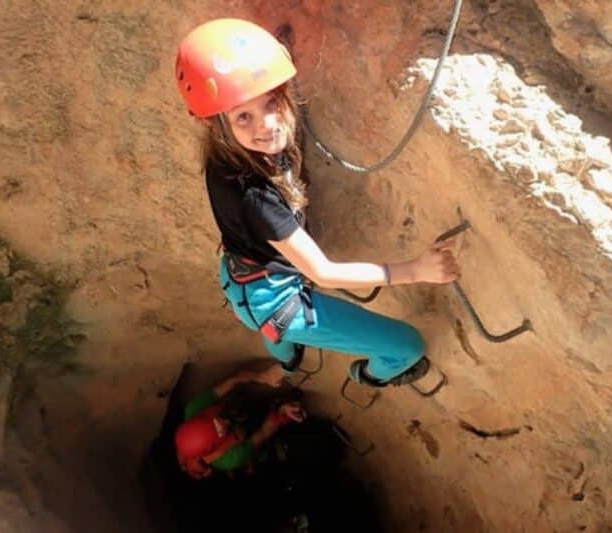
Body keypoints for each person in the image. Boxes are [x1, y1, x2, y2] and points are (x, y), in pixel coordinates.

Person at [174, 18, 460, 390]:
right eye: (244, 117)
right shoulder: (255, 197)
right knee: (406, 346)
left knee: (277, 336)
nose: (269, 125)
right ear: (219, 126)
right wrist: (416, 270)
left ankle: (287, 361)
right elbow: (323, 273)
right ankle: (368, 375)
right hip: (275, 302)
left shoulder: (226, 153)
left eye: (273, 101)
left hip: (242, 279)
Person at [175, 363, 305, 479]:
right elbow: (265, 432)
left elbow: (233, 380)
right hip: (245, 439)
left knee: (238, 409)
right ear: (217, 444)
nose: (225, 422)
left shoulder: (194, 409)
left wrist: (263, 377)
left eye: (218, 418)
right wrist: (282, 411)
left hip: (235, 415)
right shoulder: (231, 458)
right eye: (223, 428)